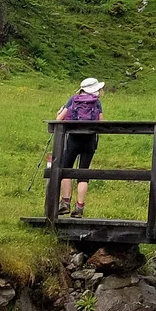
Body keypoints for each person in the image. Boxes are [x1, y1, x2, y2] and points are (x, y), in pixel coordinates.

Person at [54, 77, 104, 217]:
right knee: (84, 173)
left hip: (74, 139)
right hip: (89, 141)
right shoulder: (97, 102)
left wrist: (59, 114)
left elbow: (59, 119)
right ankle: (79, 208)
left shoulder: (73, 99)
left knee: (66, 169)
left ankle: (65, 202)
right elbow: (101, 122)